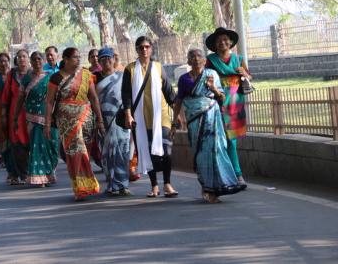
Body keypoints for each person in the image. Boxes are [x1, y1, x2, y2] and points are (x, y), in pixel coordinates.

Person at [172, 49, 246, 203]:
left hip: (213, 119)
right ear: (188, 61)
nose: (196, 59)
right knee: (201, 155)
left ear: (204, 60)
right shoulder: (184, 79)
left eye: (199, 56)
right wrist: (174, 123)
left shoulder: (212, 74)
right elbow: (178, 101)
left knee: (216, 151)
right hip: (194, 121)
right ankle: (206, 187)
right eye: (192, 56)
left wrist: (213, 88)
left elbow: (222, 97)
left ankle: (219, 187)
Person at [44, 47, 105, 201]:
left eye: (79, 57)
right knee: (75, 152)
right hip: (66, 121)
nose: (78, 60)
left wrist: (100, 120)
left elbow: (94, 98)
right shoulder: (56, 78)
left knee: (85, 151)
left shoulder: (86, 75)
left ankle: (83, 184)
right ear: (65, 59)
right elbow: (50, 102)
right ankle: (81, 186)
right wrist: (47, 124)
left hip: (86, 118)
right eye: (75, 57)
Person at [121, 36, 178, 198]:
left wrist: (178, 114)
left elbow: (169, 92)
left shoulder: (159, 67)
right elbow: (126, 95)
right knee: (147, 152)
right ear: (136, 50)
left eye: (147, 47)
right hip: (140, 119)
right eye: (140, 47)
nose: (144, 50)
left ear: (151, 48)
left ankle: (167, 184)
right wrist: (128, 115)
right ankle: (154, 186)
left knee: (166, 151)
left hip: (162, 117)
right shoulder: (130, 69)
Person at [205, 27, 251, 186]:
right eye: (219, 41)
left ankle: (237, 175)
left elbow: (249, 76)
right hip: (216, 103)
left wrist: (243, 73)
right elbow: (206, 79)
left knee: (232, 141)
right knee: (219, 141)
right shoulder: (210, 60)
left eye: (225, 40)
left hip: (235, 104)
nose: (222, 42)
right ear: (214, 45)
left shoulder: (239, 59)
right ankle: (226, 175)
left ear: (231, 42)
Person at [13, 51, 59, 187]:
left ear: (43, 60)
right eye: (34, 59)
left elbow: (57, 96)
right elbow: (20, 98)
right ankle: (40, 176)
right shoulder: (26, 79)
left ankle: (49, 173)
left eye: (39, 59)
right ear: (31, 62)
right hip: (32, 117)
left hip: (48, 116)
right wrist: (15, 118)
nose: (37, 61)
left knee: (52, 146)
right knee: (37, 146)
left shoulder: (51, 77)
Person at [96, 47, 131, 196]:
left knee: (123, 152)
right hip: (103, 121)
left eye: (108, 58)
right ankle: (111, 184)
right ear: (99, 62)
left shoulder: (123, 77)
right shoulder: (94, 79)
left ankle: (123, 185)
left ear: (113, 59)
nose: (106, 61)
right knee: (107, 154)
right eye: (102, 59)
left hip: (121, 120)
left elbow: (129, 98)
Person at [2, 49, 31, 184]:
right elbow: (6, 96)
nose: (21, 59)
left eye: (24, 56)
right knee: (17, 144)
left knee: (33, 143)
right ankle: (22, 173)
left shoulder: (34, 74)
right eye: (19, 57)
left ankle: (35, 172)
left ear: (28, 59)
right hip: (16, 114)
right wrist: (3, 116)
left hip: (32, 114)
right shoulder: (12, 75)